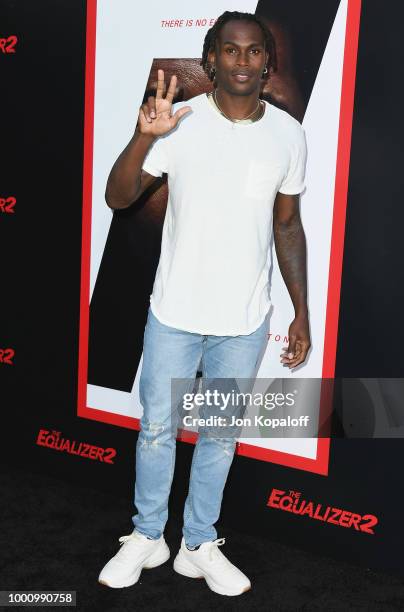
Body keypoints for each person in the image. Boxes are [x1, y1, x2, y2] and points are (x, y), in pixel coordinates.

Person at [98, 10, 311, 597]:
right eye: (230, 50)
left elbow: (288, 227)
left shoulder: (288, 135)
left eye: (253, 51)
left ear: (268, 62)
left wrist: (302, 310)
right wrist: (147, 134)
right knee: (157, 430)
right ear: (210, 59)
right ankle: (147, 536)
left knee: (218, 436)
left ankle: (197, 544)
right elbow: (118, 197)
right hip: (174, 314)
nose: (242, 61)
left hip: (243, 322)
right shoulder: (181, 124)